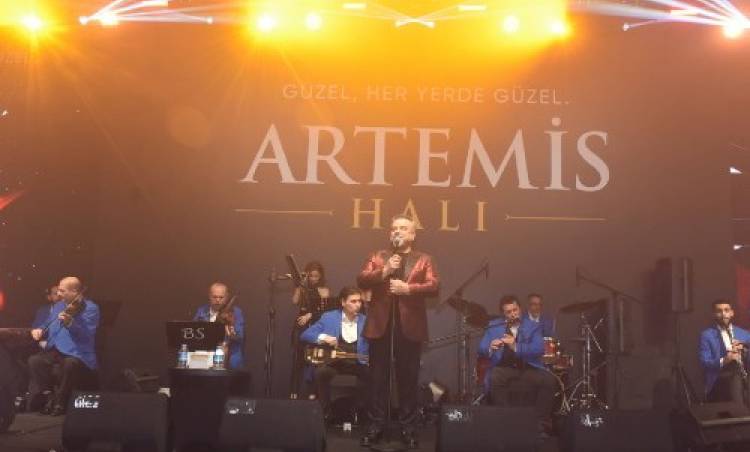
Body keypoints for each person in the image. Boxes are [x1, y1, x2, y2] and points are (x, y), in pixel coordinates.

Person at [358, 214, 440, 449]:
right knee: (377, 379)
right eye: (394, 228)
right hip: (380, 326)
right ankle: (376, 426)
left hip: (409, 327)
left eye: (404, 228)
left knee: (408, 379)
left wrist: (408, 289)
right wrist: (385, 271)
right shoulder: (378, 256)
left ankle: (408, 427)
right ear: (389, 233)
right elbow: (362, 279)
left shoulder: (424, 259)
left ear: (412, 235)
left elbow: (434, 285)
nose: (398, 231)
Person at [478, 295, 557, 434]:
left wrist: (515, 346)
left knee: (549, 380)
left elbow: (538, 348)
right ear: (503, 314)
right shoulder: (494, 325)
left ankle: (540, 424)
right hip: (505, 368)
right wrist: (490, 347)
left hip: (528, 368)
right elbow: (481, 348)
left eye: (515, 310)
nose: (513, 314)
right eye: (509, 312)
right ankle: (506, 421)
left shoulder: (532, 326)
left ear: (520, 309)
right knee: (495, 376)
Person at [28, 277, 99, 415]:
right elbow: (47, 322)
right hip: (56, 348)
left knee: (69, 364)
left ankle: (61, 400)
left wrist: (71, 323)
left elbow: (86, 334)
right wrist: (39, 329)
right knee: (34, 361)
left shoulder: (91, 308)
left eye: (62, 291)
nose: (59, 294)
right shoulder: (59, 306)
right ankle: (49, 396)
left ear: (75, 291)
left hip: (77, 351)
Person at [300, 287, 369, 420]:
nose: (358, 305)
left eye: (359, 301)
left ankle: (361, 413)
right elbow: (305, 335)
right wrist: (323, 337)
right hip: (334, 362)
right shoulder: (329, 317)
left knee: (372, 374)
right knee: (321, 372)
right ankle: (325, 413)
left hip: (358, 362)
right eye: (353, 301)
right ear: (343, 302)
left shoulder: (365, 320)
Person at [290, 261, 334, 399]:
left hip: (316, 325)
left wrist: (310, 315)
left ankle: (312, 393)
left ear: (320, 276)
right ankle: (293, 393)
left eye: (316, 276)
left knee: (315, 359)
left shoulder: (324, 290)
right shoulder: (303, 288)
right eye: (311, 276)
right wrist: (300, 284)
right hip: (301, 324)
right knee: (298, 359)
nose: (314, 279)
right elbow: (294, 301)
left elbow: (325, 310)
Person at [699, 299, 750, 403]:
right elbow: (704, 363)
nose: (723, 314)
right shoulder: (707, 335)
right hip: (719, 381)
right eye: (719, 311)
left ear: (732, 313)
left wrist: (744, 351)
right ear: (714, 314)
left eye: (726, 310)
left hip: (743, 380)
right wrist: (726, 359)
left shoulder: (744, 334)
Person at [193, 282, 245, 369]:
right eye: (214, 297)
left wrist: (231, 325)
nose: (217, 300)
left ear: (227, 297)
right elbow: (194, 333)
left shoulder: (236, 312)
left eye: (221, 297)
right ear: (209, 296)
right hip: (206, 351)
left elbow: (239, 336)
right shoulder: (202, 310)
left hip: (228, 355)